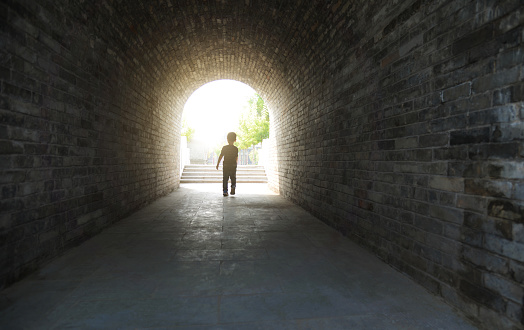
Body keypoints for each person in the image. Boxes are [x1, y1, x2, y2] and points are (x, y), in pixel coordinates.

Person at [216, 132, 238, 196]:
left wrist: (217, 164)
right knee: (233, 177)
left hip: (226, 165)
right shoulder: (235, 149)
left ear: (227, 139)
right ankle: (233, 186)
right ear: (235, 140)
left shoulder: (224, 148)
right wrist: (235, 164)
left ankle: (225, 191)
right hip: (233, 165)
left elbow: (221, 156)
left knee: (225, 178)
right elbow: (236, 157)